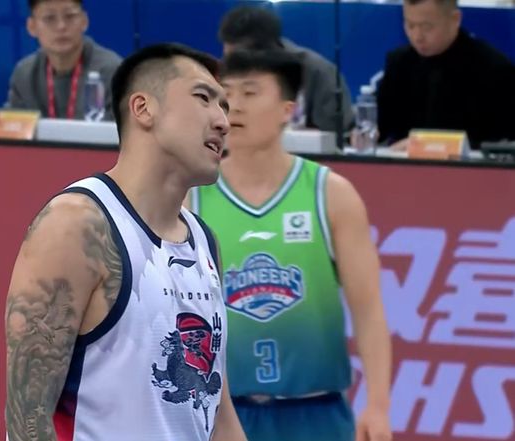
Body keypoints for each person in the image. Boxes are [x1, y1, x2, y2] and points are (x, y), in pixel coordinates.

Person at [5, 43, 247, 441]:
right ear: (143, 109)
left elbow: (218, 412)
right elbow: (27, 419)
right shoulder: (76, 224)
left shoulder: (205, 241)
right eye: (204, 98)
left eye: (224, 106)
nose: (223, 121)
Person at [190, 49, 392, 441]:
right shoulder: (192, 196)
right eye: (227, 93)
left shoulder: (329, 193)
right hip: (223, 415)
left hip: (316, 412)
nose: (235, 105)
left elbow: (368, 310)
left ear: (288, 109)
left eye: (251, 92)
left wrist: (378, 405)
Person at [377, 0, 515, 149]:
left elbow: (504, 143)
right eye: (410, 25)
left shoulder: (494, 69)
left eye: (426, 27)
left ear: (455, 19)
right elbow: (381, 129)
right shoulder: (399, 63)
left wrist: (424, 145)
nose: (417, 36)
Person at [218, 5, 354, 132]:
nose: (234, 69)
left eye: (239, 61)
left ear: (266, 50)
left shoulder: (319, 72)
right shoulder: (225, 70)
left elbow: (335, 134)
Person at [7, 0, 122, 120]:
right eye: (49, 18)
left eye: (70, 16)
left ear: (84, 21)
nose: (61, 26)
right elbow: (13, 128)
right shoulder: (25, 75)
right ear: (32, 27)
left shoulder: (113, 72)